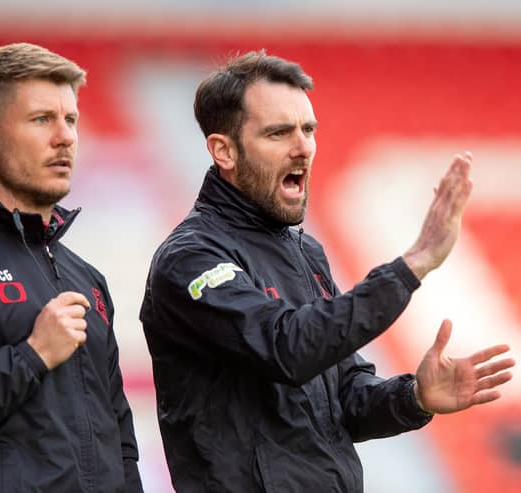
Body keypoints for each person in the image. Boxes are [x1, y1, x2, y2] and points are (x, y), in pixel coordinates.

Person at [139, 51, 515, 492]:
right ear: (224, 151)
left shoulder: (304, 252)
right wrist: (410, 267)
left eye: (308, 129)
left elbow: (344, 400)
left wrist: (414, 397)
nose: (302, 146)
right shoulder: (192, 260)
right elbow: (288, 348)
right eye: (279, 132)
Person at [0, 43, 143, 493]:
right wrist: (31, 356)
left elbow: (120, 437)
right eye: (41, 120)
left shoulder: (88, 280)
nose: (65, 137)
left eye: (70, 120)